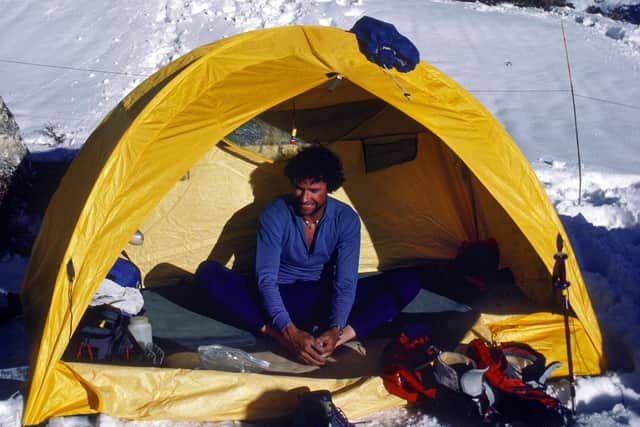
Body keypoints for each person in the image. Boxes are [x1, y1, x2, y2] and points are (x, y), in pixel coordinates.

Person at [196, 145, 420, 366]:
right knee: (208, 273)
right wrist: (289, 332)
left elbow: (345, 281)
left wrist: (336, 329)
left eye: (314, 191)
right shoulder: (275, 213)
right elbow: (266, 279)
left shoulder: (345, 218)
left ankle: (334, 342)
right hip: (280, 297)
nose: (304, 198)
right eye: (299, 189)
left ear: (329, 187)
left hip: (322, 297)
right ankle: (280, 337)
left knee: (408, 280)